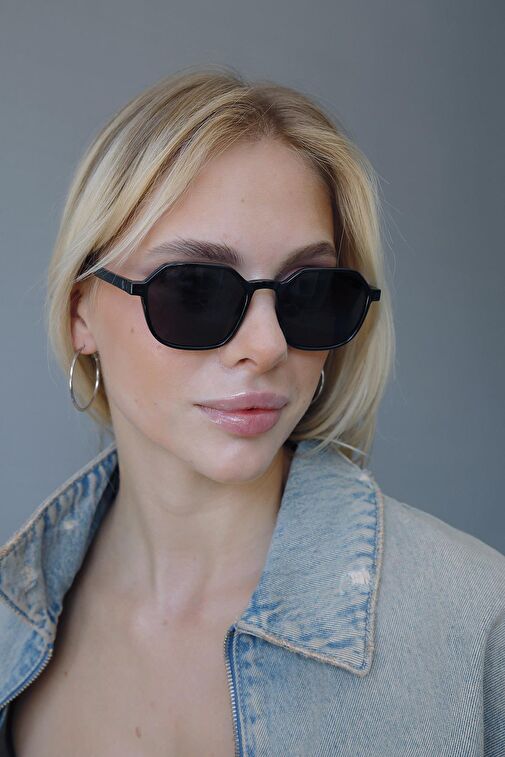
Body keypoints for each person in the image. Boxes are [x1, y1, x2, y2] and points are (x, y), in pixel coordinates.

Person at [0, 67, 503, 757]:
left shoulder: (476, 624)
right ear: (80, 312)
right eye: (194, 289)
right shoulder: (11, 617)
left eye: (309, 292)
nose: (266, 346)